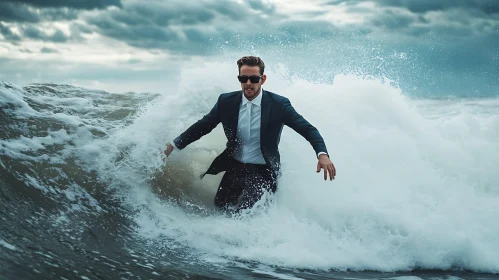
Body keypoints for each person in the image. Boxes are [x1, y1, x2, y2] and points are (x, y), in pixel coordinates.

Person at [164, 56, 336, 212]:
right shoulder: (226, 101)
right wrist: (175, 144)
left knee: (246, 213)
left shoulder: (279, 105)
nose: (248, 83)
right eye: (243, 78)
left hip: (263, 170)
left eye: (254, 79)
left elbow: (308, 129)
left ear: (263, 79)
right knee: (220, 207)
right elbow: (204, 125)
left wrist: (322, 154)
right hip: (235, 166)